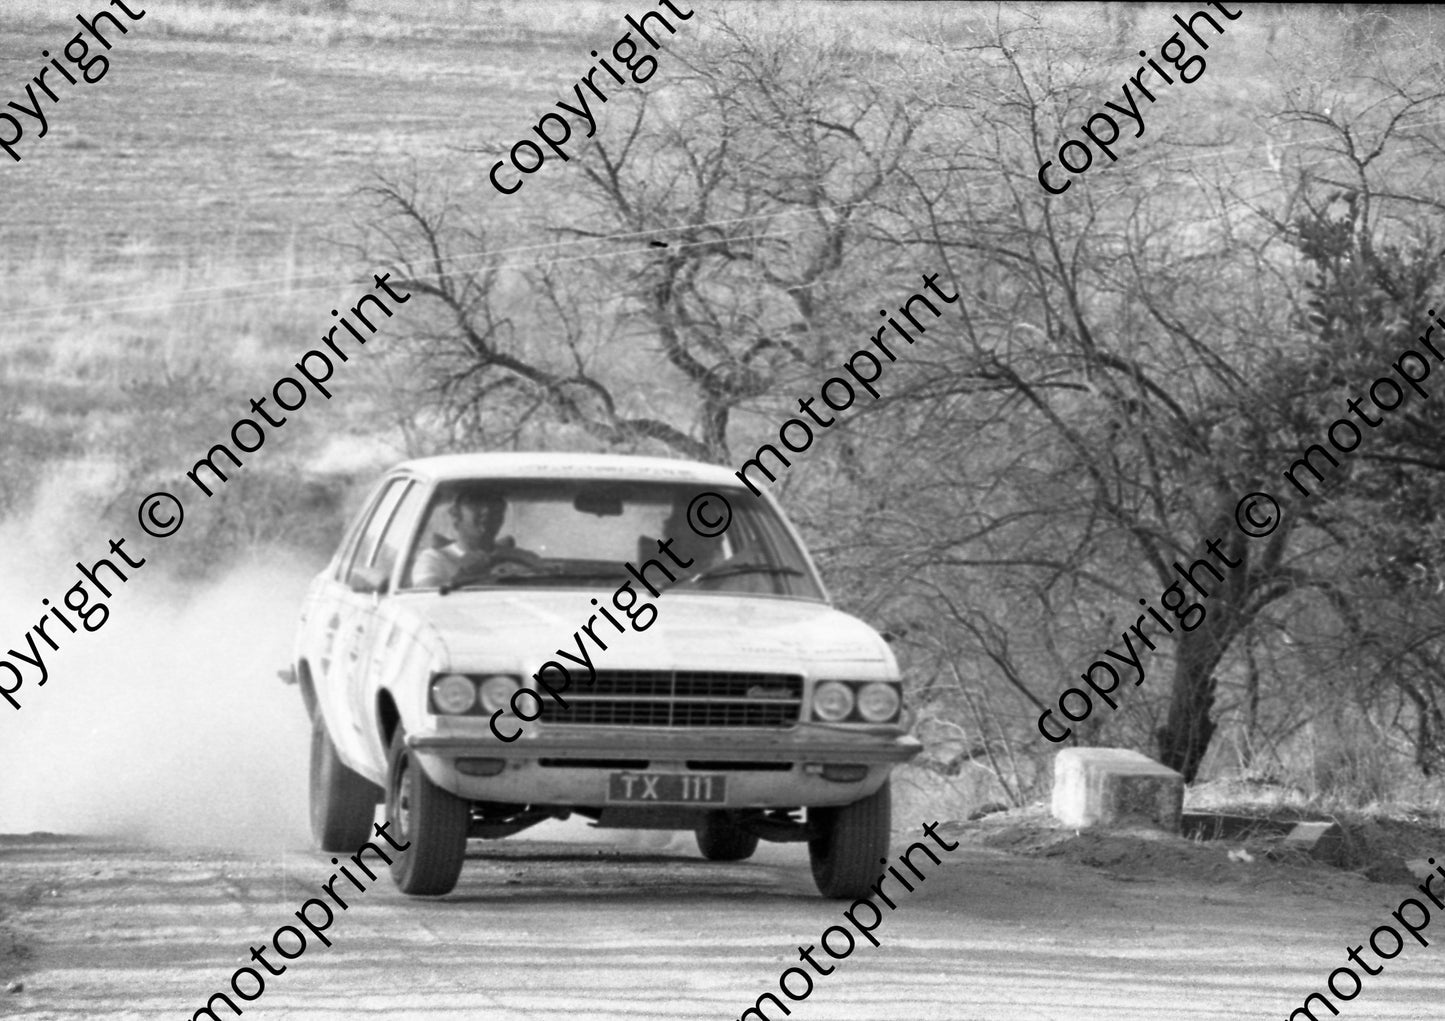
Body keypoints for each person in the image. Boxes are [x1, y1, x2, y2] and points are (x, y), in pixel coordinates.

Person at [411, 489, 537, 588]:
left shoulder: (522, 559)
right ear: (456, 515)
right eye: (476, 503)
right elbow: (427, 599)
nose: (487, 511)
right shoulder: (433, 560)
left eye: (495, 503)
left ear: (502, 516)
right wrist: (465, 575)